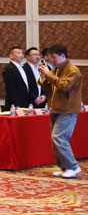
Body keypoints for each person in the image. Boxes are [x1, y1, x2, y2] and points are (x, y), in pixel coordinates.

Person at [37, 44, 82, 179]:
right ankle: (65, 167)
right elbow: (48, 87)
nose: (51, 59)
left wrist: (48, 74)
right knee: (55, 139)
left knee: (59, 137)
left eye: (53, 57)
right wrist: (43, 77)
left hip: (67, 109)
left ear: (63, 56)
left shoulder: (73, 70)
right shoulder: (56, 70)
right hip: (55, 107)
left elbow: (64, 86)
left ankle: (73, 166)